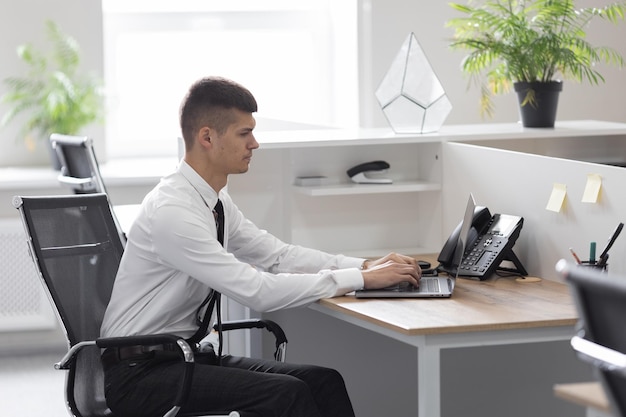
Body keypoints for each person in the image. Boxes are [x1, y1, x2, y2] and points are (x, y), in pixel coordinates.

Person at [100, 76, 421, 417]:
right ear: (207, 137)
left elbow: (277, 256)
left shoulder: (213, 201)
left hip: (182, 359)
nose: (255, 144)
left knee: (324, 381)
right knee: (288, 395)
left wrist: (363, 266)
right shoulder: (173, 213)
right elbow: (257, 291)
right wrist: (360, 280)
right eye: (244, 133)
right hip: (139, 376)